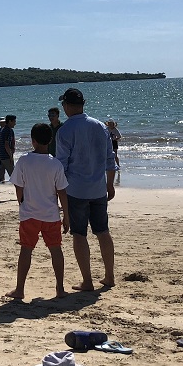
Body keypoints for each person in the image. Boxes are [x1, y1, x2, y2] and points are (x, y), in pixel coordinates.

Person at [54, 87, 116, 291]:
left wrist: (57, 190)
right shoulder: (100, 126)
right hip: (98, 188)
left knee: (79, 234)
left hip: (76, 190)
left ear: (67, 106)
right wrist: (109, 184)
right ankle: (109, 276)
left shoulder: (65, 130)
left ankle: (87, 280)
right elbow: (109, 159)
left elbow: (61, 165)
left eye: (64, 104)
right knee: (103, 232)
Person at [6, 123, 70, 301]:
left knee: (26, 250)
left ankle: (20, 289)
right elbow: (62, 192)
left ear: (32, 140)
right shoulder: (55, 164)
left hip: (29, 214)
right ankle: (60, 288)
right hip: (51, 214)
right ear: (50, 140)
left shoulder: (24, 161)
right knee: (55, 249)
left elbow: (18, 187)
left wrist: (21, 202)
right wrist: (66, 215)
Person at [105, 119, 122, 184]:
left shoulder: (115, 130)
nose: (110, 125)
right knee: (107, 154)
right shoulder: (107, 129)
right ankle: (107, 165)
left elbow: (119, 136)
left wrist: (115, 139)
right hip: (108, 142)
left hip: (114, 142)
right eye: (109, 124)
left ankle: (118, 165)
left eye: (111, 124)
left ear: (113, 124)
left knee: (115, 155)